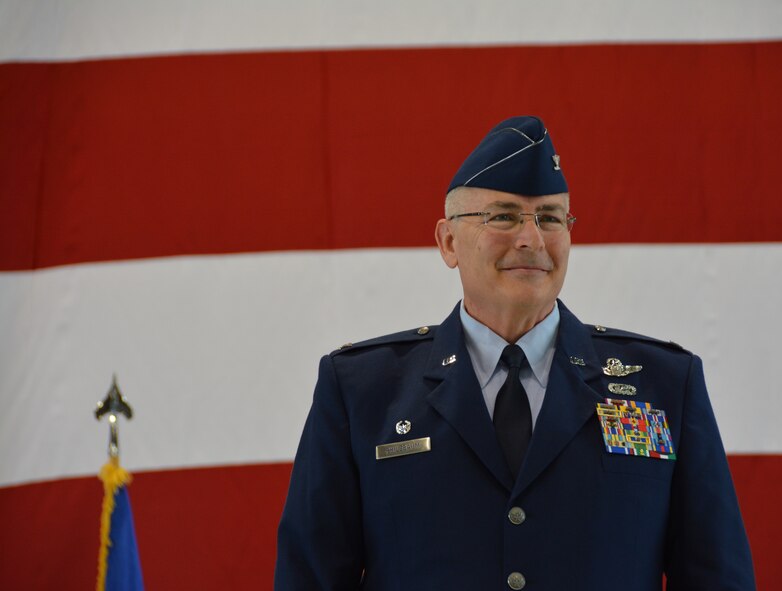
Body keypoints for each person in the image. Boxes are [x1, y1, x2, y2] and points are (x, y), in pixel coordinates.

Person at [275, 116, 755, 590]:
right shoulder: (362, 391)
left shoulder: (665, 385)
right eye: (503, 216)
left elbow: (717, 577)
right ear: (448, 242)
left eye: (549, 218)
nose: (532, 239)